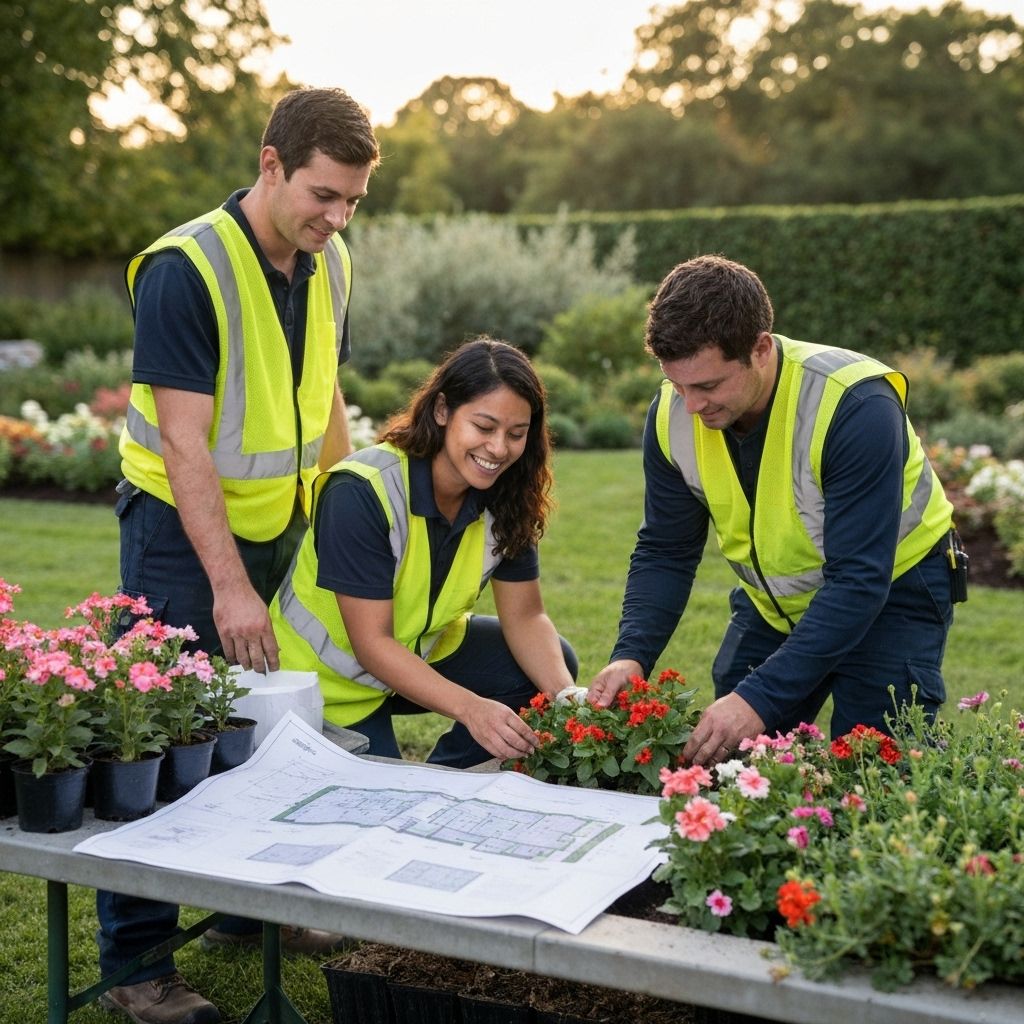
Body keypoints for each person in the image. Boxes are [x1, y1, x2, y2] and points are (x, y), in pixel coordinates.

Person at [100, 87, 380, 1024]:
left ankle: (239, 910)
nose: (336, 218)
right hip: (180, 534)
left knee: (268, 732)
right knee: (164, 735)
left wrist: (348, 510)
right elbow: (184, 443)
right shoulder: (188, 269)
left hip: (284, 524)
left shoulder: (328, 259)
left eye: (352, 201)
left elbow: (325, 390)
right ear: (270, 164)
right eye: (322, 195)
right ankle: (137, 963)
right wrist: (228, 586)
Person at [588, 254, 960, 767]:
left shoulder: (854, 406)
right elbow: (666, 550)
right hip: (776, 605)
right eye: (678, 384)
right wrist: (632, 653)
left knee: (870, 765)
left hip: (893, 594)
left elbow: (858, 579)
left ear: (760, 349)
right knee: (732, 762)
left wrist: (757, 699)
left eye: (708, 385)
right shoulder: (673, 415)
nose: (691, 406)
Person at [270, 338, 579, 766]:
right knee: (383, 807)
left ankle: (449, 775)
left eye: (516, 434)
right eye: (484, 427)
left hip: (415, 657)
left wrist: (568, 699)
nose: (499, 449)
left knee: (550, 664)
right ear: (441, 411)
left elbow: (526, 616)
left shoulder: (507, 496)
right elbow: (372, 645)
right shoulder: (360, 492)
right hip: (326, 687)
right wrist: (473, 708)